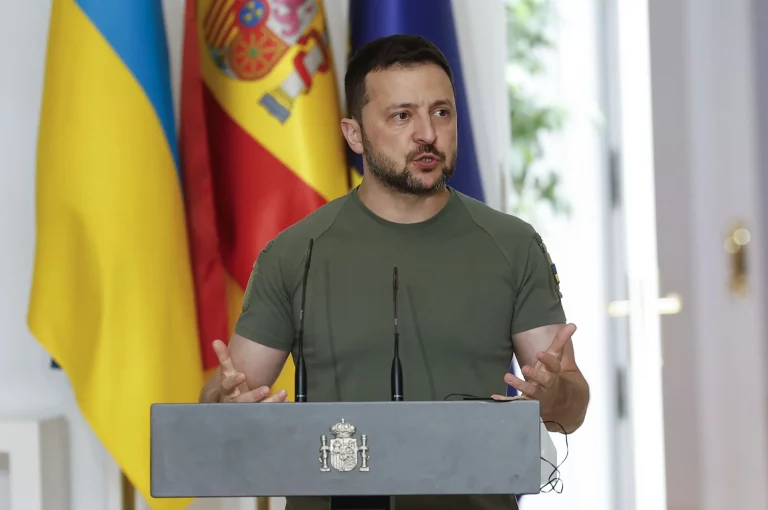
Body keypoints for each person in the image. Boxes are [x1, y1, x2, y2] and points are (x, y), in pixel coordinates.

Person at [199, 34, 590, 510]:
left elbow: (569, 410)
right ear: (354, 134)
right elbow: (226, 408)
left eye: (441, 112)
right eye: (402, 115)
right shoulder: (294, 253)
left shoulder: (512, 245)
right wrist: (223, 404)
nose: (427, 133)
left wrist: (552, 395)